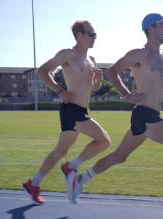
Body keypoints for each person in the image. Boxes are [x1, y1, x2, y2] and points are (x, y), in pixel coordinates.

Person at [70, 13, 163, 216]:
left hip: (150, 114)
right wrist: (127, 94)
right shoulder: (138, 54)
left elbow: (161, 89)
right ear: (151, 28)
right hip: (145, 115)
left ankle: (80, 181)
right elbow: (112, 72)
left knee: (118, 157)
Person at [22, 20, 111, 205]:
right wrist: (60, 91)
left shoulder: (91, 60)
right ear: (80, 35)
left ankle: (34, 183)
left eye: (95, 34)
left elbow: (94, 88)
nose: (95, 37)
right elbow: (42, 71)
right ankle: (71, 167)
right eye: (91, 33)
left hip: (81, 109)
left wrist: (98, 80)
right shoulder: (68, 54)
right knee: (104, 141)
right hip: (72, 109)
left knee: (60, 150)